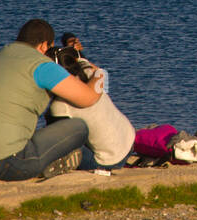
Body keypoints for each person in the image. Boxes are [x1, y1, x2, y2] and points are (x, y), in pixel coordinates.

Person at [0, 18, 103, 181]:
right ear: (44, 45)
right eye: (50, 49)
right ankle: (96, 163)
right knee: (79, 127)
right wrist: (100, 73)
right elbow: (88, 98)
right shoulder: (41, 65)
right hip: (3, 164)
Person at [47, 41, 135, 170]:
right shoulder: (90, 74)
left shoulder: (60, 106)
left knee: (54, 146)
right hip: (129, 140)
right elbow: (100, 71)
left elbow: (59, 142)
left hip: (109, 161)